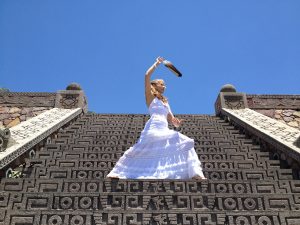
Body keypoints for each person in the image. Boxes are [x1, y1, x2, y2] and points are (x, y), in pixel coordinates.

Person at [107, 56, 206, 179]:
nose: (164, 86)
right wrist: (157, 63)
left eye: (165, 85)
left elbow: (172, 120)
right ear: (155, 85)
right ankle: (118, 172)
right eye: (162, 84)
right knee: (141, 150)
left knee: (183, 141)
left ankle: (195, 173)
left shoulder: (166, 102)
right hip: (153, 127)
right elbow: (146, 75)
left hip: (164, 128)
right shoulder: (150, 97)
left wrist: (177, 123)